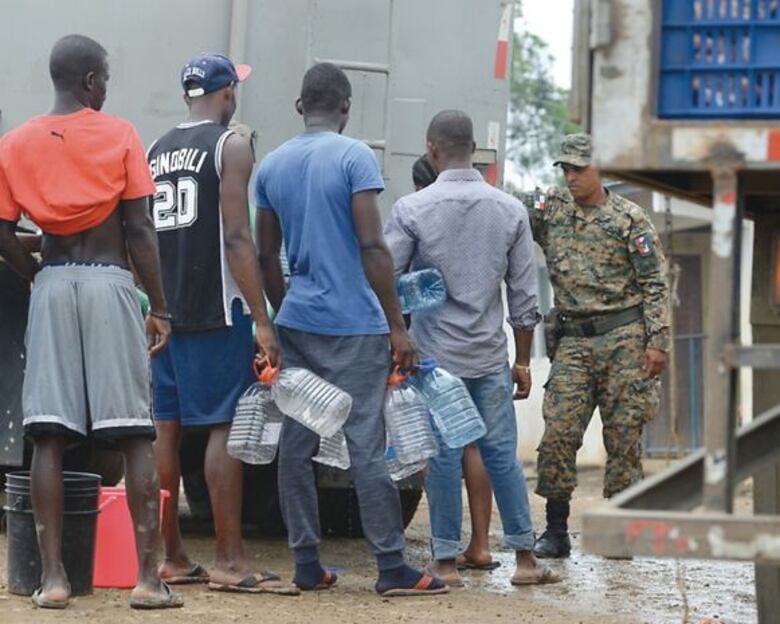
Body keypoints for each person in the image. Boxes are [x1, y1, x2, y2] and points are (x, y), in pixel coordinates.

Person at [0, 34, 182, 609]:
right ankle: (148, 581)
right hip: (109, 283)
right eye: (103, 79)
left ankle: (53, 580)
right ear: (88, 82)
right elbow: (140, 231)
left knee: (48, 435)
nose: (105, 88)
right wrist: (159, 306)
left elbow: (2, 231)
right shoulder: (120, 134)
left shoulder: (14, 144)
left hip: (53, 284)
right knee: (134, 433)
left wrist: (34, 269)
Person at [255, 62, 448, 598]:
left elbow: (266, 253)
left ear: (300, 105)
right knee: (365, 443)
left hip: (298, 322)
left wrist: (285, 310)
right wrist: (396, 326)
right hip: (356, 325)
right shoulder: (353, 156)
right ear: (346, 106)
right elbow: (371, 246)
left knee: (296, 445)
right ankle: (391, 566)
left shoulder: (272, 164)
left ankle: (305, 562)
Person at [385, 110, 559, 588]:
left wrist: (397, 334)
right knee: (501, 454)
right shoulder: (509, 210)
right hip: (488, 357)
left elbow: (386, 277)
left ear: (432, 149)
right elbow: (524, 297)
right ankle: (525, 560)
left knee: (443, 457)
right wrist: (521, 361)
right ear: (474, 150)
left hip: (434, 358)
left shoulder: (412, 209)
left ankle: (444, 563)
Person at [146, 53, 295, 595]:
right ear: (227, 91)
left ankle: (170, 555)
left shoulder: (156, 148)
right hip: (217, 308)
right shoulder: (231, 145)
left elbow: (143, 231)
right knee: (223, 426)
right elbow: (237, 236)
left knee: (165, 428)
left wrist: (155, 305)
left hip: (166, 312)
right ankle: (229, 560)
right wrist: (262, 318)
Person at [525, 133, 670, 558]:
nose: (571, 177)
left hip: (624, 338)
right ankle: (556, 530)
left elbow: (655, 283)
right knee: (558, 433)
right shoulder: (550, 209)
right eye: (566, 169)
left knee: (624, 438)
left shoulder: (629, 219)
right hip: (572, 339)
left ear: (600, 169)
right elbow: (506, 220)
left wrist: (658, 342)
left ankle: (619, 532)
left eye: (579, 169)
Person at [410, 153, 497, 571]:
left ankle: (444, 551)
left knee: (440, 448)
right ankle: (480, 545)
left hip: (435, 349)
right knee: (474, 444)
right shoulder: (487, 213)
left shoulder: (419, 215)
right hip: (481, 346)